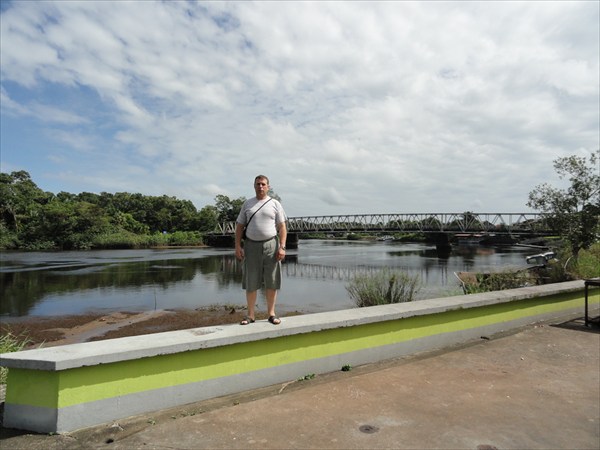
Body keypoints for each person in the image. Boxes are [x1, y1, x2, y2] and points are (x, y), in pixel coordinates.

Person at [235, 175, 287, 325]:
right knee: (251, 280)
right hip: (251, 246)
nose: (261, 187)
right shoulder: (247, 204)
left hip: (271, 245)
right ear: (254, 186)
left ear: (268, 187)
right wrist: (238, 246)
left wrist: (282, 247)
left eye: (263, 184)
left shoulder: (275, 204)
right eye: (258, 184)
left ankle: (271, 314)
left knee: (272, 280)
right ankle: (250, 315)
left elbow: (282, 227)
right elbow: (239, 226)